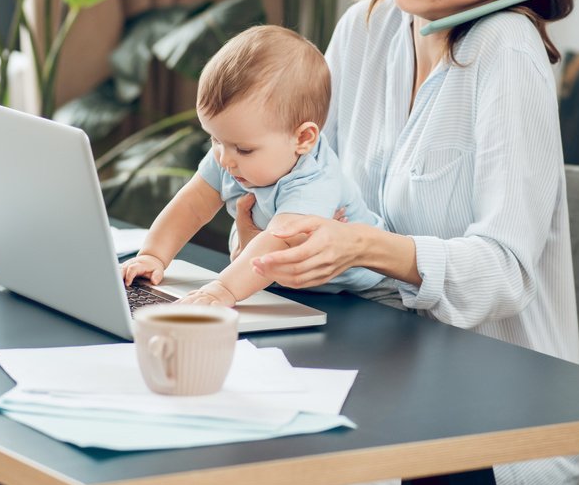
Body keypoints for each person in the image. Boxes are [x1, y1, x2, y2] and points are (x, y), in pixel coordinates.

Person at [175, 0, 579, 485]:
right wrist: (266, 227)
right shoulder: (368, 26)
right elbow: (302, 170)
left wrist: (363, 246)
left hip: (496, 420)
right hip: (377, 383)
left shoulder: (507, 57)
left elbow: (504, 273)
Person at [121, 24, 384, 306]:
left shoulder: (314, 182)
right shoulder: (233, 151)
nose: (224, 159)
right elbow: (191, 205)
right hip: (288, 287)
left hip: (363, 293)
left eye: (244, 149)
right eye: (215, 140)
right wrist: (153, 255)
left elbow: (275, 243)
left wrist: (223, 290)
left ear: (303, 138)